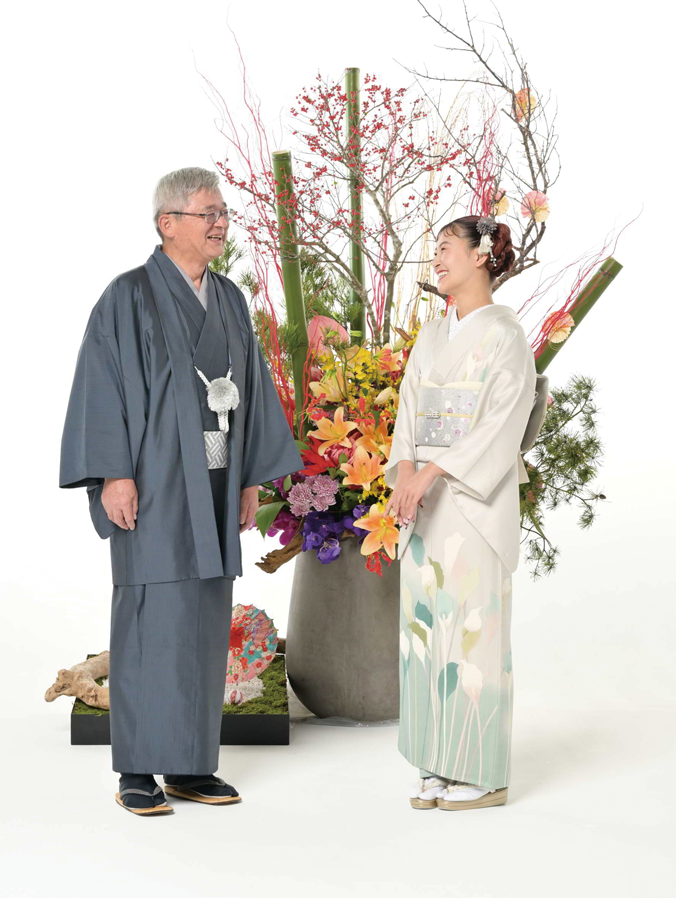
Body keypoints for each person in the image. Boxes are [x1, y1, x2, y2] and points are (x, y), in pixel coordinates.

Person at [59, 167, 305, 815]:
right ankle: (138, 770)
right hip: (154, 482)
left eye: (223, 213)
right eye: (207, 214)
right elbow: (102, 384)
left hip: (218, 482)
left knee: (204, 618)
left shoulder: (228, 297)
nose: (220, 224)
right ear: (167, 223)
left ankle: (192, 766)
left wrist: (250, 478)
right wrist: (113, 473)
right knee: (150, 616)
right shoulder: (128, 295)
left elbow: (251, 389)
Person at [383, 215, 536, 811]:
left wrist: (431, 472)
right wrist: (404, 472)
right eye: (435, 250)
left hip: (472, 500)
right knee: (425, 632)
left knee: (472, 630)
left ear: (480, 256)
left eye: (446, 248)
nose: (437, 260)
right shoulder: (432, 334)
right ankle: (435, 761)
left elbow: (503, 422)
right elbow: (408, 411)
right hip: (422, 503)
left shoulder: (506, 335)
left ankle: (483, 771)